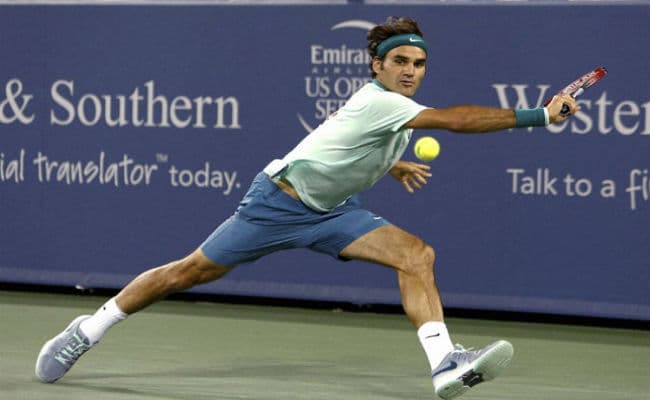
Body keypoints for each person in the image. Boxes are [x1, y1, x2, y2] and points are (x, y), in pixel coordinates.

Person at [35, 16, 578, 400]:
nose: (411, 71)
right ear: (377, 66)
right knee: (188, 272)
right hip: (276, 205)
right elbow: (456, 121)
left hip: (334, 212)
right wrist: (540, 115)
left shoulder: (388, 109)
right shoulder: (381, 102)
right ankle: (89, 329)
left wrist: (393, 165)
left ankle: (444, 365)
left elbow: (336, 145)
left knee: (416, 255)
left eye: (419, 63)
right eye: (400, 61)